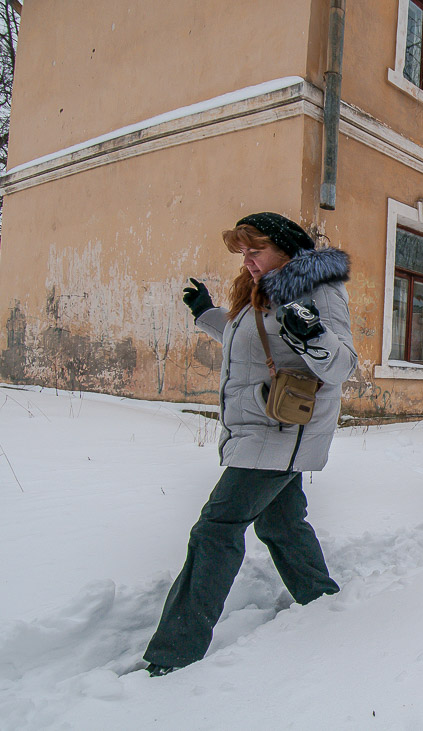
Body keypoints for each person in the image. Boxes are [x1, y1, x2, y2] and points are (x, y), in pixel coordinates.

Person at [144, 212, 357, 676]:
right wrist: (207, 314)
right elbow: (253, 340)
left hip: (277, 431)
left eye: (254, 251)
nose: (248, 261)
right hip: (261, 427)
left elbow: (341, 365)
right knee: (281, 524)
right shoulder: (259, 289)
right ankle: (320, 599)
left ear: (286, 250)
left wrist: (312, 333)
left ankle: (174, 654)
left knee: (215, 530)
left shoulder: (316, 288)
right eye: (242, 252)